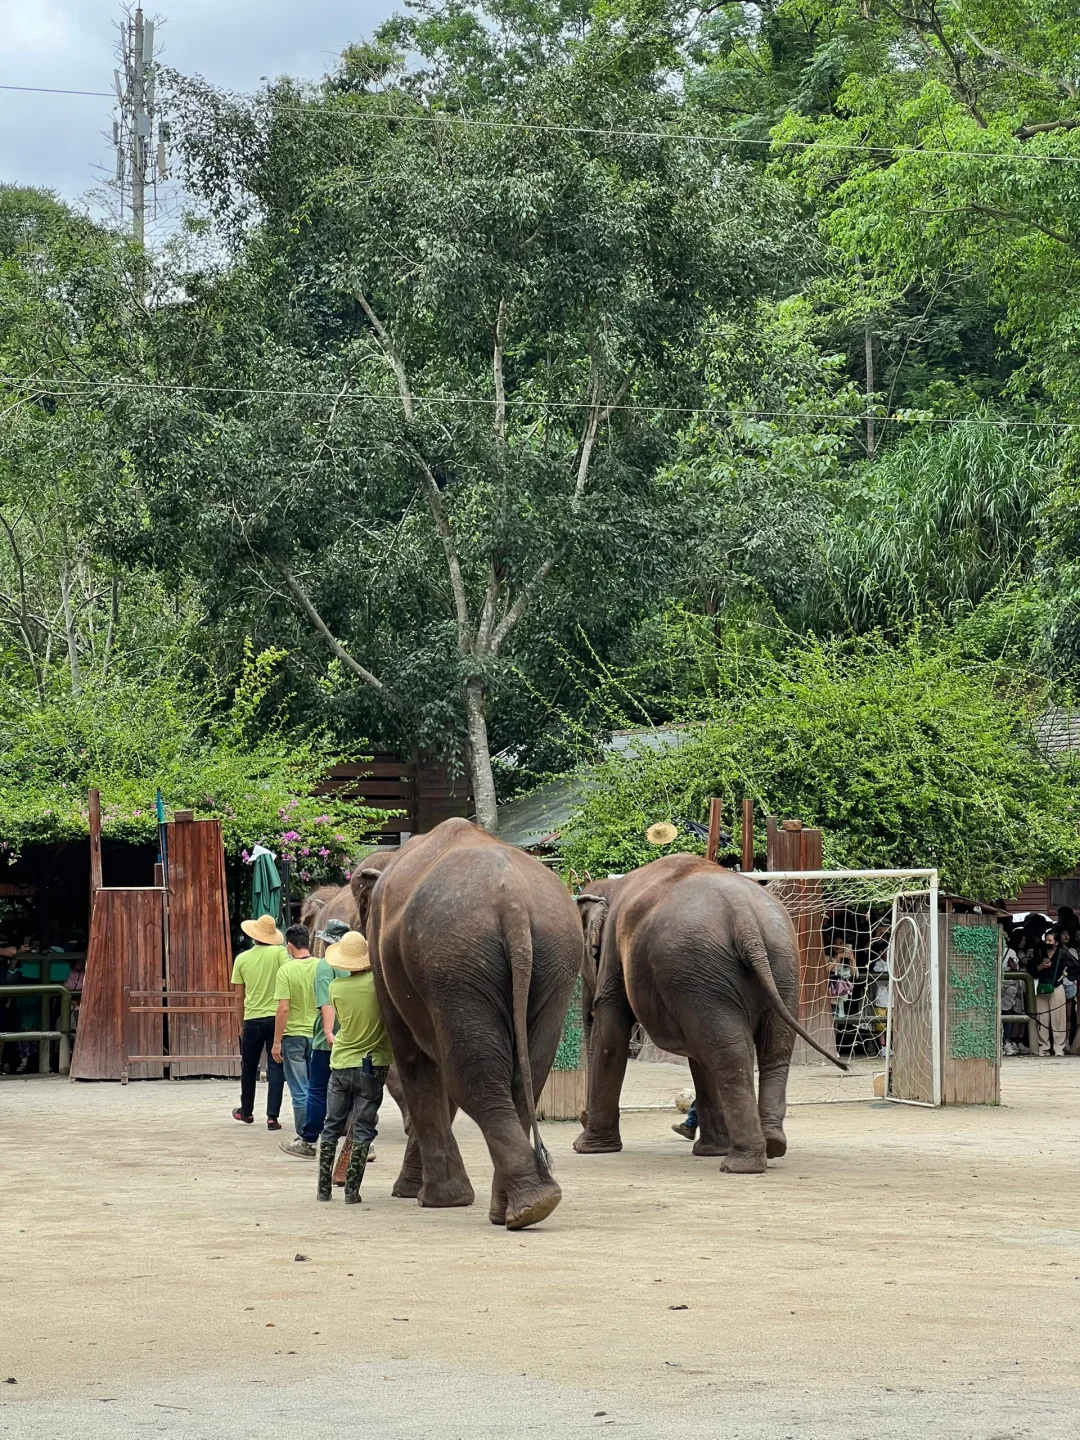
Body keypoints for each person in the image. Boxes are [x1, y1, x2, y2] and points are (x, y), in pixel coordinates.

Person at [317, 930, 392, 1204]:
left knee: (331, 1126)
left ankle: (323, 1189)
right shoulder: (380, 985)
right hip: (373, 1065)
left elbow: (339, 1022)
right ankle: (352, 1192)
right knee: (363, 1128)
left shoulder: (336, 988)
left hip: (340, 1062)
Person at [280, 918, 349, 1159]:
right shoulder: (358, 966)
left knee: (317, 1090)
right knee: (353, 1091)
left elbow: (325, 1001)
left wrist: (328, 1030)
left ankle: (308, 1140)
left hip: (324, 1040)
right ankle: (361, 1142)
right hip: (356, 1037)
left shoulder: (325, 965)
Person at [231, 913, 289, 1128]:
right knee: (276, 1067)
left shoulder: (242, 959)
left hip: (252, 1018)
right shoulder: (281, 954)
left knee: (249, 1066)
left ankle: (246, 1111)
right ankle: (272, 1116)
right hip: (276, 1017)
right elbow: (290, 973)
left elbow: (239, 996)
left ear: (254, 935)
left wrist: (241, 1023)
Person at [271, 924, 318, 1139]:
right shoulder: (322, 967)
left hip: (294, 1037)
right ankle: (321, 1131)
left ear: (289, 946)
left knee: (300, 1089)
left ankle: (304, 1136)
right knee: (318, 1088)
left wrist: (277, 1041)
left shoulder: (286, 970)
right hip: (318, 1036)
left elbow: (283, 1008)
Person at [1027, 928, 1068, 1057]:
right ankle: (1043, 1047)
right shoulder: (1040, 952)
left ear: (1056, 942)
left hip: (1057, 987)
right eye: (1046, 940)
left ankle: (1059, 1048)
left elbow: (1073, 967)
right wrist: (1041, 966)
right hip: (1043, 987)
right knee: (1042, 1018)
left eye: (1050, 940)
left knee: (1058, 1019)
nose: (1047, 942)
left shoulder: (1064, 953)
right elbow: (1032, 969)